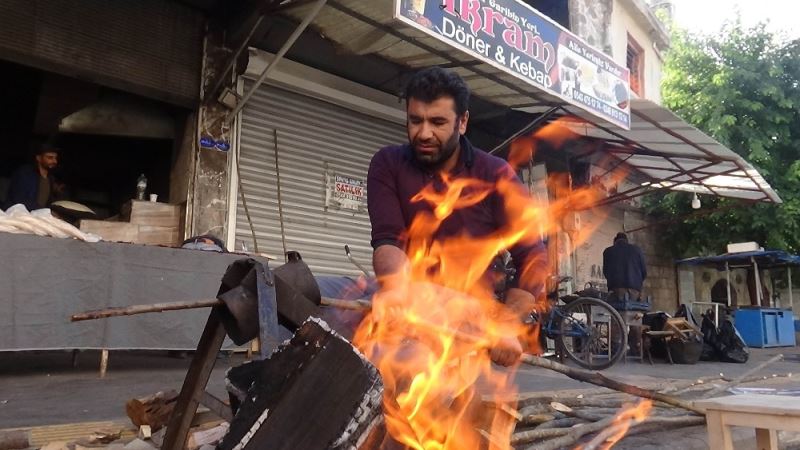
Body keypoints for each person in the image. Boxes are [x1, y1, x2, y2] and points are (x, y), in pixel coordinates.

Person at [366, 67, 547, 367]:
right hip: (407, 299)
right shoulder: (387, 163)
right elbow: (388, 241)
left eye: (437, 122)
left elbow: (533, 255)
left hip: (465, 317)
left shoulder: (495, 174)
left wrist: (504, 324)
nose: (423, 133)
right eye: (415, 121)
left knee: (417, 375)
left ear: (462, 122)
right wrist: (396, 291)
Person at [5, 143, 63, 210]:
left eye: (55, 158)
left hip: (37, 215)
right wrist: (41, 210)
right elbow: (18, 198)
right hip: (18, 214)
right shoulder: (25, 173)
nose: (54, 161)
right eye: (50, 158)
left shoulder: (50, 178)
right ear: (38, 158)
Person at [602, 232, 647, 300]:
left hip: (616, 290)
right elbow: (644, 272)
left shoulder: (608, 251)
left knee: (613, 306)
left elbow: (606, 272)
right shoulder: (637, 250)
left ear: (615, 242)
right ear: (626, 241)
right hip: (634, 291)